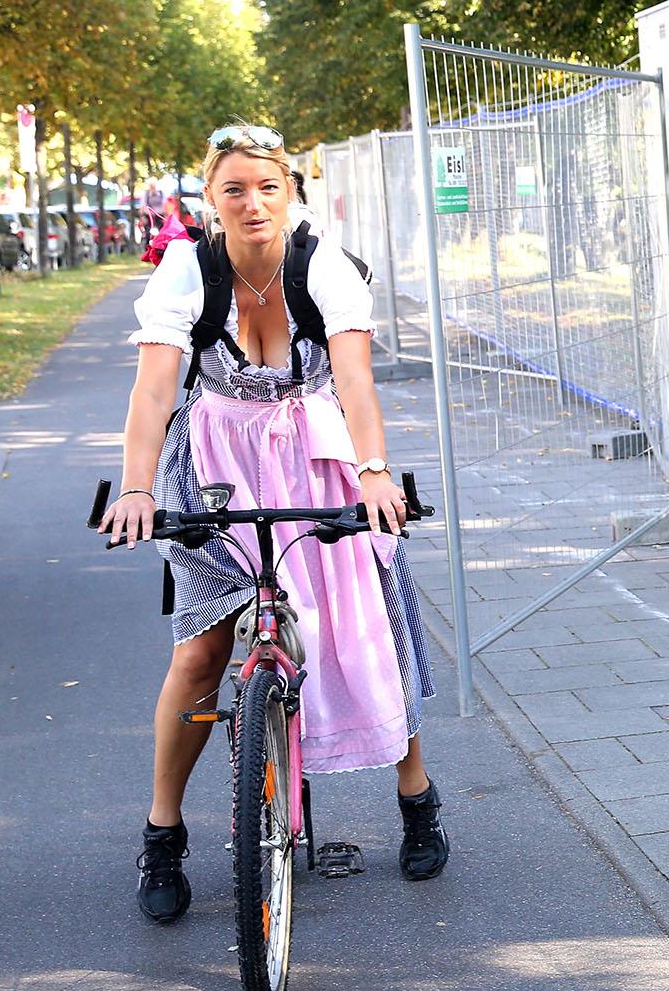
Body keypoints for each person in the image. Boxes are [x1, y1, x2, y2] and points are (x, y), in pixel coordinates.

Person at [100, 124, 447, 922]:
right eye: (233, 190)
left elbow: (355, 383)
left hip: (319, 458)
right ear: (210, 201)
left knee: (364, 627)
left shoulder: (320, 266)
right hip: (216, 466)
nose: (252, 203)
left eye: (267, 187)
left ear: (290, 192)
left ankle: (417, 797)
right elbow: (154, 394)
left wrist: (372, 473)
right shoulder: (188, 270)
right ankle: (162, 833)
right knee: (200, 654)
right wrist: (137, 487)